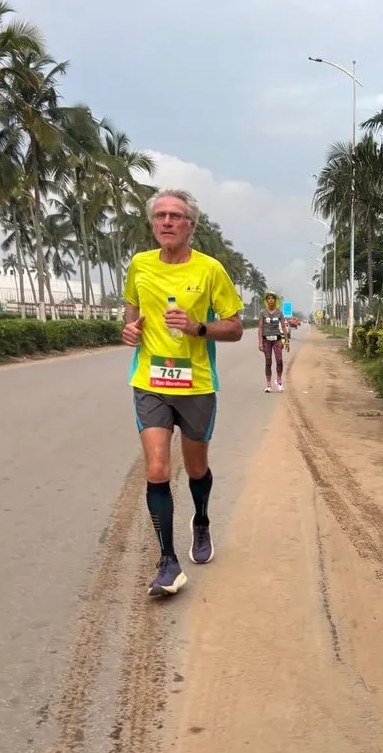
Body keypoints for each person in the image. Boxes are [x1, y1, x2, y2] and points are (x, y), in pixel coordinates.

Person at [122, 188, 243, 597]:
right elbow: (131, 311)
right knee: (157, 469)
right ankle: (167, 562)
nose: (168, 222)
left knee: (194, 469)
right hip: (150, 382)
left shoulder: (210, 270)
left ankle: (202, 519)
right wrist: (130, 329)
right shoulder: (139, 265)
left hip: (196, 385)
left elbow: (235, 326)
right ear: (153, 224)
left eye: (176, 216)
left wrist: (197, 327)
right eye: (161, 216)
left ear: (191, 225)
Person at [258, 292, 287, 392]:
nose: (270, 300)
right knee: (268, 361)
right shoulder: (263, 313)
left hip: (277, 340)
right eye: (268, 299)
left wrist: (286, 340)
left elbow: (283, 327)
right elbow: (260, 328)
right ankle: (268, 385)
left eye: (272, 298)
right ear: (266, 301)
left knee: (279, 360)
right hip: (266, 340)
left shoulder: (279, 313)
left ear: (275, 300)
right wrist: (260, 342)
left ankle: (279, 381)